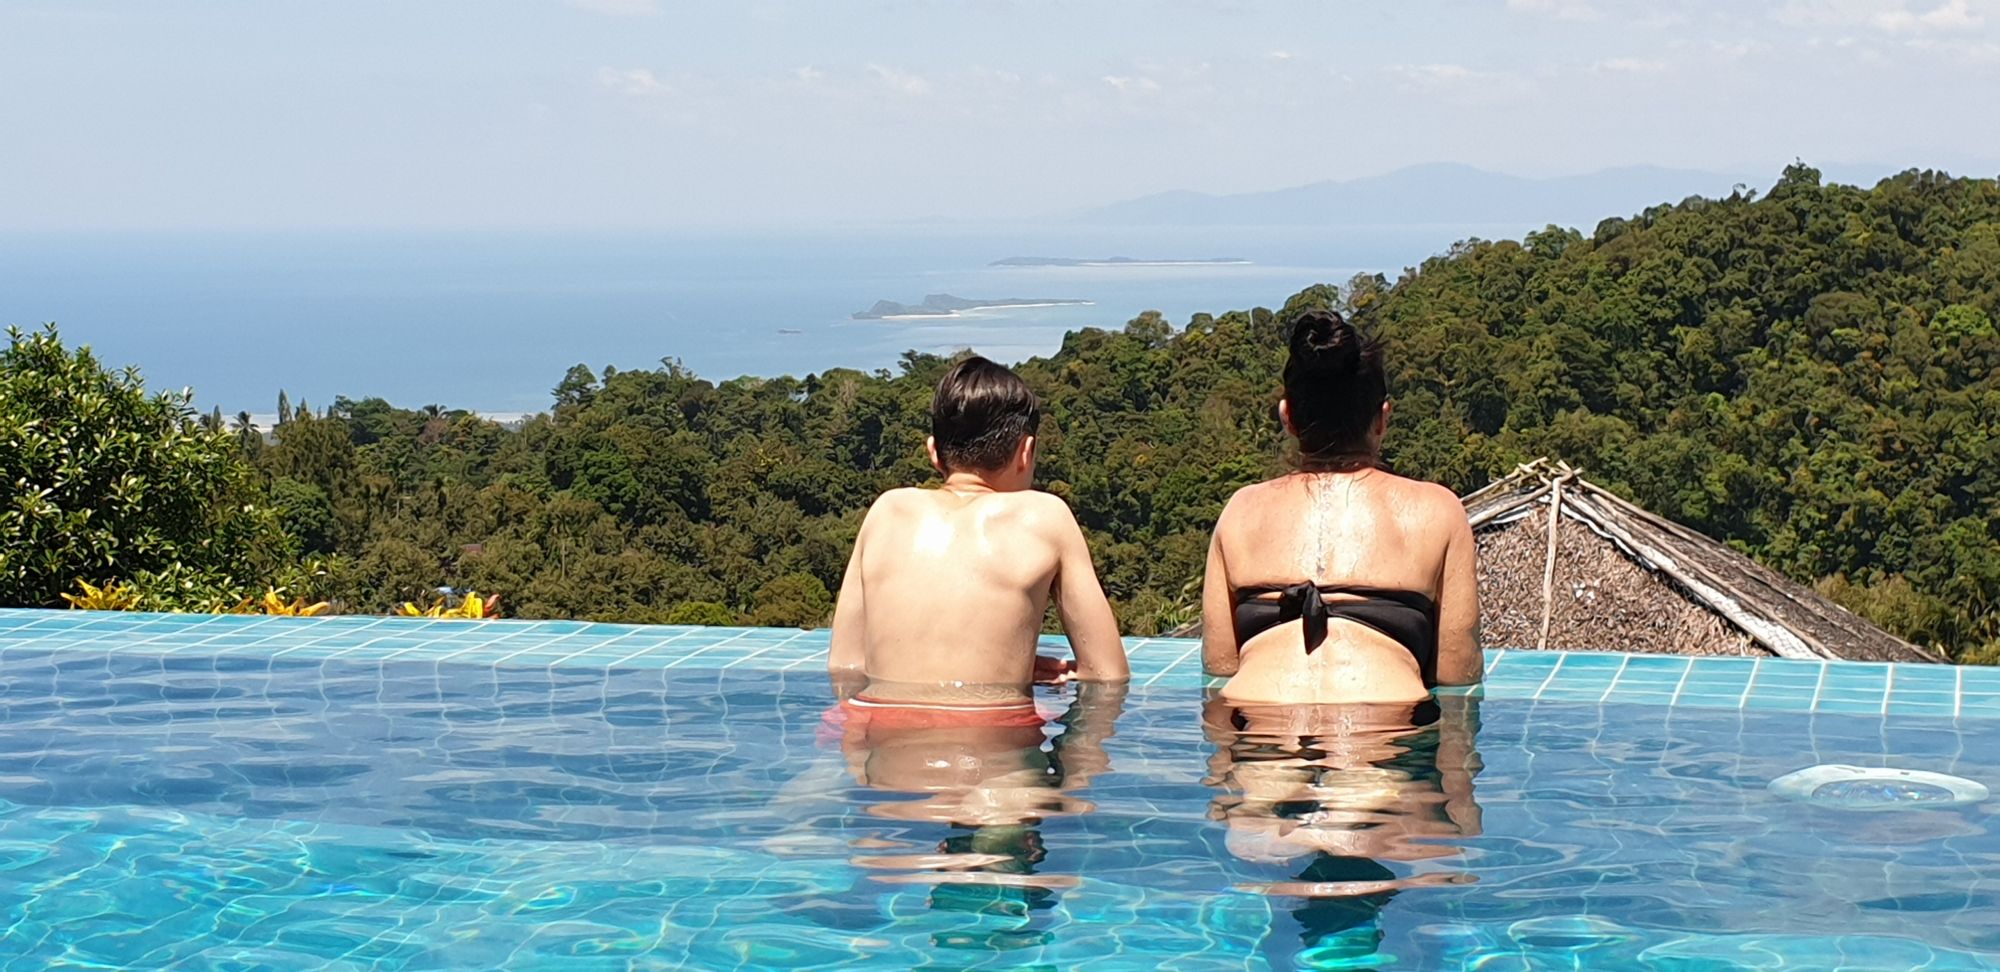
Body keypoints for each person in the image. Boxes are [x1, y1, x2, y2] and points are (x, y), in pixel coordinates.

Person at [828, 355, 1129, 726]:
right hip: (994, 738)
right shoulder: (1045, 518)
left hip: (878, 732)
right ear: (1026, 452)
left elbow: (845, 666)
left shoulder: (886, 512)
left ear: (933, 451)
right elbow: (1107, 675)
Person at [1201, 309, 1482, 703]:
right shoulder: (1437, 512)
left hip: (1255, 719)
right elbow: (1458, 677)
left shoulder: (1241, 512)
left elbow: (1219, 668)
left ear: (1288, 417)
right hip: (1384, 724)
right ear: (1382, 419)